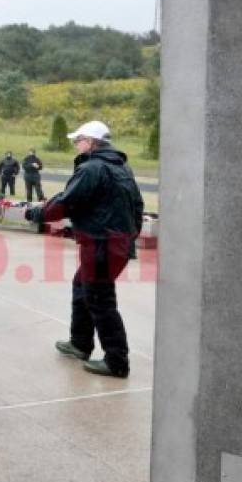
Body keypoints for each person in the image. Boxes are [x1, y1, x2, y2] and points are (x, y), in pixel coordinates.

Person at [25, 121, 144, 378]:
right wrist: (129, 234)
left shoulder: (92, 168)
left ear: (91, 142)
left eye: (78, 139)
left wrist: (36, 213)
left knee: (100, 300)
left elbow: (67, 201)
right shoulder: (121, 166)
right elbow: (138, 204)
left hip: (102, 243)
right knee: (83, 286)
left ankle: (117, 361)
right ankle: (80, 343)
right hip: (112, 242)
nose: (75, 144)